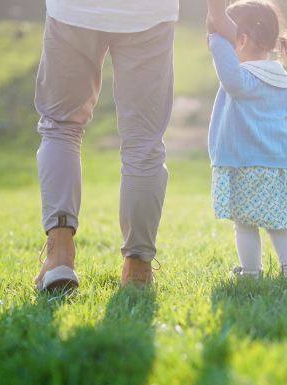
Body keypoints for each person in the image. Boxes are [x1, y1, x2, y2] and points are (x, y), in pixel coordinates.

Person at [33, 0, 179, 291]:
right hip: (148, 13)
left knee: (61, 127)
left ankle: (59, 254)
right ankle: (138, 268)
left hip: (75, 11)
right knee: (144, 142)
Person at [206, 0, 287, 278]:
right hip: (278, 164)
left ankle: (251, 273)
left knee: (245, 223)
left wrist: (216, 36)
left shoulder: (244, 78)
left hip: (245, 164)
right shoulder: (285, 80)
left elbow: (229, 75)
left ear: (239, 39)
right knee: (279, 223)